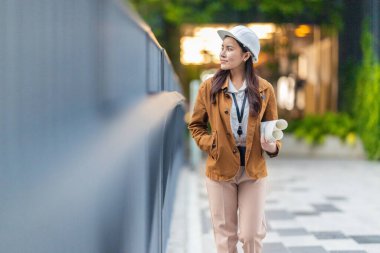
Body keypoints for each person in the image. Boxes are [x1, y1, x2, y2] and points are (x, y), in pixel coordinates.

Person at [188, 25, 282, 253]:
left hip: (253, 171)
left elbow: (274, 129)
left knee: (250, 236)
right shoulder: (209, 87)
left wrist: (272, 146)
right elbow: (196, 125)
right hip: (220, 169)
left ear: (246, 55)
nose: (222, 53)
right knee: (225, 239)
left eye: (229, 49)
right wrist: (213, 145)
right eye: (222, 48)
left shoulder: (264, 89)